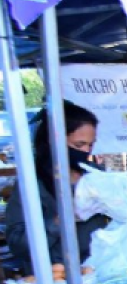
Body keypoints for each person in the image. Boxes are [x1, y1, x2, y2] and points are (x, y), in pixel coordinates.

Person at [6, 102, 108, 274]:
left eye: (90, 145)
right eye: (78, 145)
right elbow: (18, 244)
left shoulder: (94, 175)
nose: (85, 151)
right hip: (57, 276)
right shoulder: (32, 185)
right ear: (55, 141)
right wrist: (59, 221)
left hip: (100, 268)